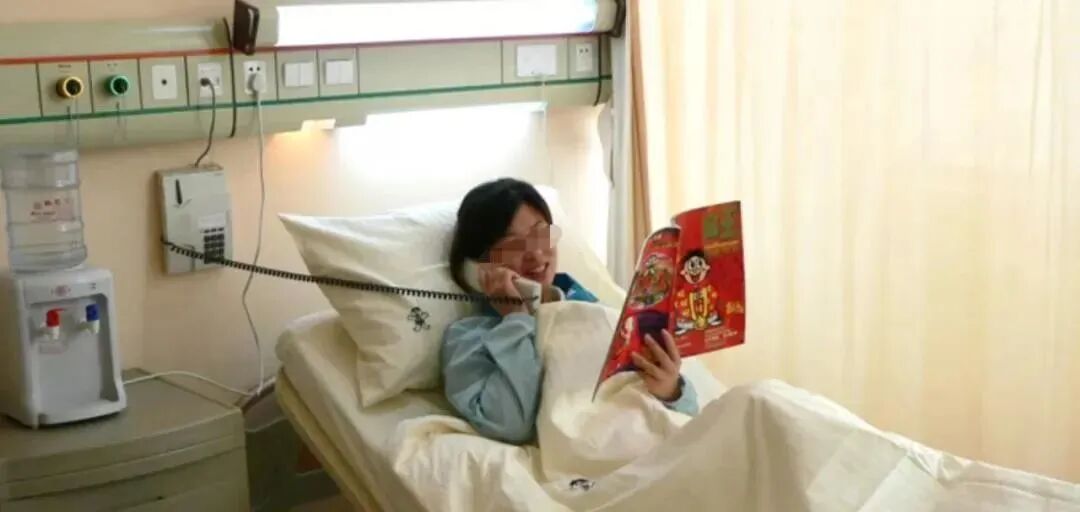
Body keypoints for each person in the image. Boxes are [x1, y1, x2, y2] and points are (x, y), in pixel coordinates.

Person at [442, 178, 698, 445]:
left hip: (651, 438)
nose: (536, 255)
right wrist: (515, 318)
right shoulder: (467, 339)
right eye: (514, 245)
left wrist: (671, 390)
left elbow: (690, 411)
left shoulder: (589, 306)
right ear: (479, 266)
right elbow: (511, 424)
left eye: (542, 235)